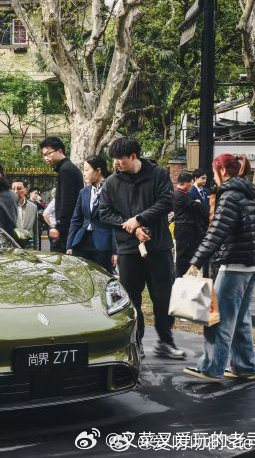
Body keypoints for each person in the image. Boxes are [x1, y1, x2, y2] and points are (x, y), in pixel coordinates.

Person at [184, 154, 255, 382]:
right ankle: (245, 367)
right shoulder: (247, 193)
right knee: (240, 319)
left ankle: (212, 368)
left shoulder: (230, 195)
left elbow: (216, 232)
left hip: (235, 265)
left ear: (221, 170)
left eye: (214, 172)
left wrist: (195, 261)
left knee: (217, 318)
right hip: (251, 265)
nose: (213, 178)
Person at [99, 137, 184, 360]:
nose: (116, 164)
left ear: (133, 156)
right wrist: (131, 227)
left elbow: (166, 202)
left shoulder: (158, 174)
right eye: (114, 159)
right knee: (132, 299)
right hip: (128, 249)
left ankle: (166, 341)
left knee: (163, 296)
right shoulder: (111, 182)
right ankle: (137, 343)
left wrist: (139, 219)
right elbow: (104, 212)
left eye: (120, 159)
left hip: (158, 246)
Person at [67, 155, 116, 273]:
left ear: (98, 171)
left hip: (103, 244)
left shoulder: (111, 190)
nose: (84, 174)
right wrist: (70, 245)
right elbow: (76, 220)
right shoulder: (83, 192)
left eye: (86, 170)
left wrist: (116, 251)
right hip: (81, 242)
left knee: (102, 277)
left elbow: (115, 222)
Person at [40, 137, 83, 253]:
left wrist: (58, 227)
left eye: (48, 153)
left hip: (66, 231)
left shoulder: (66, 170)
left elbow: (67, 201)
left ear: (60, 151)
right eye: (44, 155)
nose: (46, 158)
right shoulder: (66, 168)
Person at [173, 173, 209, 278]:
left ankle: (186, 277)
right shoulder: (179, 195)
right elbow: (196, 207)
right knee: (183, 257)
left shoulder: (184, 194)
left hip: (188, 230)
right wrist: (197, 203)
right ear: (185, 183)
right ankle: (180, 277)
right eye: (191, 183)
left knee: (189, 255)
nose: (192, 185)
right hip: (184, 230)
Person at [11, 180, 39, 249]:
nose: (16, 191)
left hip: (29, 246)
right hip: (13, 246)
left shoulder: (33, 207)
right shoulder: (7, 206)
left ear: (26, 190)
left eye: (19, 188)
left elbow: (35, 230)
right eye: (13, 189)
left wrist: (36, 248)